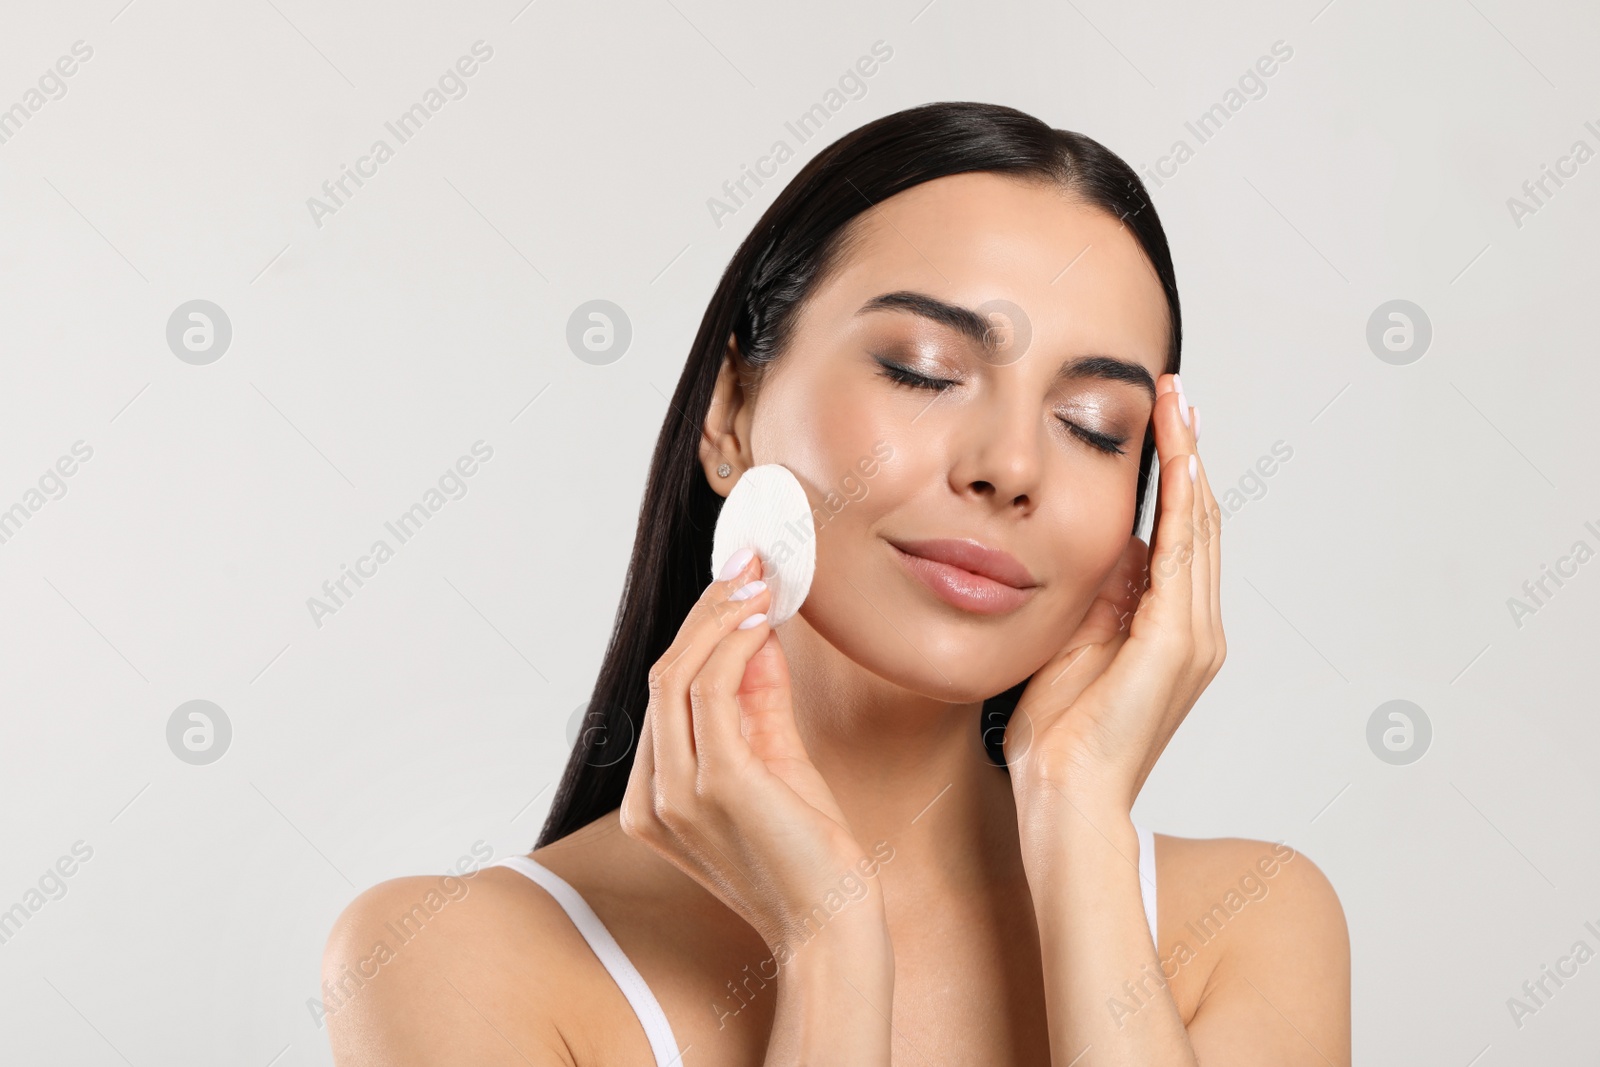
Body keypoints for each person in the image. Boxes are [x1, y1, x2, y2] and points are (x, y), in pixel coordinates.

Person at [322, 101, 1350, 1065]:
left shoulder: (1247, 921)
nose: (1011, 465)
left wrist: (1079, 812)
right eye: (919, 368)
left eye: (1094, 427)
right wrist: (831, 947)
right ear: (730, 407)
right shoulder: (454, 959)